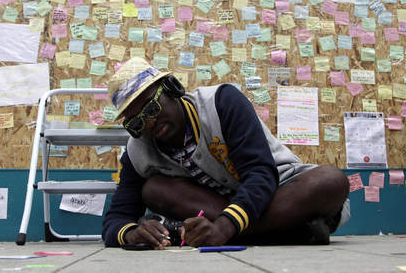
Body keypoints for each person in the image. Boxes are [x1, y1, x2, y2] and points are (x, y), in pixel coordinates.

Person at [102, 58, 350, 249]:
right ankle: (287, 232)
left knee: (331, 180)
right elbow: (116, 219)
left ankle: (255, 233)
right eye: (137, 122)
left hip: (278, 191)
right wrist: (132, 233)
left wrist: (224, 227)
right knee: (153, 189)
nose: (150, 123)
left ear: (171, 88)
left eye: (152, 107)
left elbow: (261, 174)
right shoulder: (138, 150)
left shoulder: (221, 102)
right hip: (221, 209)